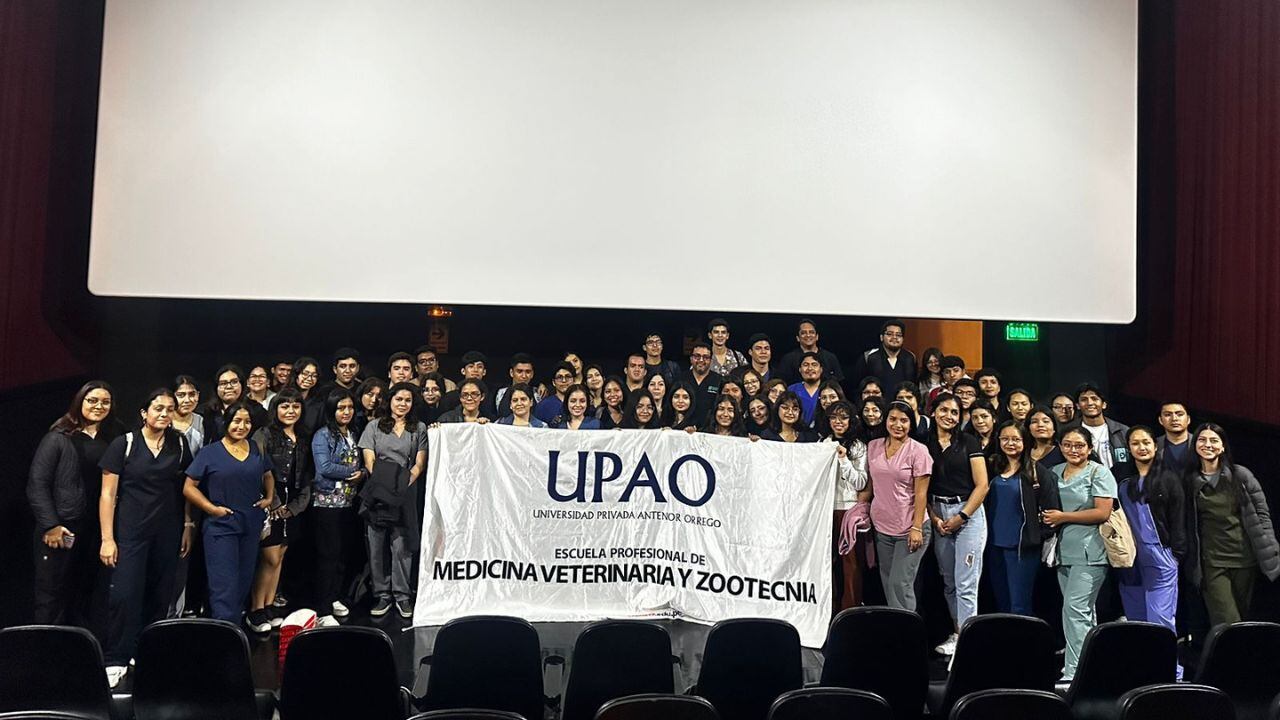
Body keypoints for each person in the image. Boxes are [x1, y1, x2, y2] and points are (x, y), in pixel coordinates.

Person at [99, 389, 193, 687]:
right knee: (125, 595)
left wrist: (188, 525)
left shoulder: (179, 443)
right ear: (144, 412)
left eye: (169, 409)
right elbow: (107, 494)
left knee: (160, 594)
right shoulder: (124, 444)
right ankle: (116, 657)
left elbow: (186, 487)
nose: (164, 414)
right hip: (131, 532)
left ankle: (146, 651)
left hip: (167, 531)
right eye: (158, 408)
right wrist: (107, 538)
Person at [28, 381, 121, 633]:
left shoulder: (114, 438)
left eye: (105, 402)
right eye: (92, 400)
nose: (99, 406)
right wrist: (51, 525)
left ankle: (79, 651)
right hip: (63, 528)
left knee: (86, 595)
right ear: (80, 401)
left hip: (97, 531)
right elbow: (37, 484)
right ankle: (46, 650)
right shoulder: (58, 437)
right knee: (52, 596)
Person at [183, 403, 273, 628]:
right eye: (237, 421)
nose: (242, 426)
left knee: (243, 582)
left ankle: (233, 632)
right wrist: (211, 509)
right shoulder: (210, 452)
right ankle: (225, 636)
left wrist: (269, 497)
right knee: (224, 587)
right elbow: (189, 487)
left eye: (247, 422)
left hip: (251, 525)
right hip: (221, 526)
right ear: (227, 422)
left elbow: (268, 474)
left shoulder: (256, 448)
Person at [1184, 423, 1279, 626]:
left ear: (1223, 446)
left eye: (1214, 440)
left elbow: (1262, 514)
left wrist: (1270, 546)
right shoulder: (1189, 480)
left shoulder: (1241, 475)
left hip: (1244, 559)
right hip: (1212, 562)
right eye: (1202, 440)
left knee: (1241, 620)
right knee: (1227, 621)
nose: (1207, 444)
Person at [1043, 426, 1117, 681]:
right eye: (1067, 445)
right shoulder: (1054, 472)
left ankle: (1075, 671)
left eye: (1079, 445)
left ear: (1090, 448)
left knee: (1075, 610)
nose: (1073, 450)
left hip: (1090, 552)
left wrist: (1063, 517)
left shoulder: (1099, 472)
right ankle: (1092, 667)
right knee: (1081, 612)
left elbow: (1102, 512)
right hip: (1063, 551)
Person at [1116, 425, 1186, 677]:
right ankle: (1143, 672)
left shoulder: (1168, 478)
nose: (1141, 447)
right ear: (1129, 448)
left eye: (1146, 442)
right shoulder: (1122, 479)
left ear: (1155, 446)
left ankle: (1170, 674)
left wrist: (1176, 553)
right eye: (1135, 443)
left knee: (1160, 619)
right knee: (1136, 618)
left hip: (1160, 554)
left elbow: (1179, 518)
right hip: (1129, 558)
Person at [925, 392, 990, 656]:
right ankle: (958, 632)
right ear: (933, 412)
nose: (949, 416)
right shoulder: (924, 443)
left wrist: (961, 517)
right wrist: (934, 517)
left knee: (966, 582)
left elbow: (982, 485)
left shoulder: (969, 441)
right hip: (938, 513)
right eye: (944, 410)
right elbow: (921, 487)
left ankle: (967, 642)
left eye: (955, 412)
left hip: (968, 514)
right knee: (949, 581)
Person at [245, 388, 313, 633]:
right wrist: (272, 501)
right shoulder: (264, 434)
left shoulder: (304, 436)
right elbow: (258, 469)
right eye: (285, 406)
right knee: (269, 557)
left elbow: (307, 475)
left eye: (295, 406)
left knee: (281, 556)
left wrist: (295, 507)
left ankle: (270, 605)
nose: (290, 411)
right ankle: (255, 610)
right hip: (270, 498)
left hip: (292, 501)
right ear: (275, 409)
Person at [359, 382, 428, 619]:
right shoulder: (374, 426)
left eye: (407, 400)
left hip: (405, 492)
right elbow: (369, 460)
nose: (402, 404)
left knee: (402, 545)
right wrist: (386, 486)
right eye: (399, 399)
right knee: (376, 545)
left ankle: (402, 595)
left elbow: (419, 463)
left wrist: (402, 485)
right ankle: (382, 594)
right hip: (378, 491)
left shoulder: (419, 428)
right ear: (390, 401)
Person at [859, 401, 932, 611]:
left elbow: (921, 493)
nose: (897, 425)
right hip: (882, 528)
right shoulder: (873, 446)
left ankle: (908, 629)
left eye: (903, 420)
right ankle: (895, 627)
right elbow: (871, 485)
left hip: (910, 528)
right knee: (888, 584)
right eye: (893, 419)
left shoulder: (919, 451)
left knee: (900, 584)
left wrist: (916, 527)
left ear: (911, 424)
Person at [983, 420, 1060, 616]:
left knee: (1020, 605)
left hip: (1022, 547)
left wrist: (1036, 536)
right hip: (993, 545)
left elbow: (1051, 510)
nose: (1010, 443)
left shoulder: (1036, 472)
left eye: (1016, 439)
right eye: (1005, 439)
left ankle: (1022, 637)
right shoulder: (992, 468)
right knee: (1001, 601)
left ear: (1025, 441)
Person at [310, 389, 366, 627]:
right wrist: (353, 472)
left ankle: (334, 597)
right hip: (326, 503)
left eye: (350, 408)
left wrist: (362, 473)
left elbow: (361, 463)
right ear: (332, 410)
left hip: (349, 502)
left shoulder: (353, 433)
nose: (346, 412)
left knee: (343, 554)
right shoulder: (322, 435)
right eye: (341, 408)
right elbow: (324, 467)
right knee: (328, 556)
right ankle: (322, 608)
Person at [825, 401, 868, 611]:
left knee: (851, 564)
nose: (838, 422)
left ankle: (850, 608)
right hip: (825, 509)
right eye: (833, 417)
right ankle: (830, 608)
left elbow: (861, 482)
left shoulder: (858, 446)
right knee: (827, 562)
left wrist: (844, 460)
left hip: (849, 509)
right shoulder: (823, 443)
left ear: (851, 420)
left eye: (843, 417)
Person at [202, 365, 268, 442]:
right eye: (223, 383)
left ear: (242, 385)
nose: (229, 387)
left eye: (234, 382)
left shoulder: (257, 410)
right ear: (216, 388)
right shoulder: (207, 411)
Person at [1073, 383, 1129, 469]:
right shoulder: (1070, 433)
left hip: (1119, 477)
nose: (1090, 403)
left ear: (1104, 404)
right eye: (1084, 399)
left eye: (1094, 399)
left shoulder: (1122, 431)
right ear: (1078, 405)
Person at [854, 320, 917, 392]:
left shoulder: (910, 358)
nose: (894, 337)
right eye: (890, 334)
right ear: (881, 337)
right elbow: (858, 387)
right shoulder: (868, 357)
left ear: (903, 339)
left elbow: (914, 386)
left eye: (898, 335)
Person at [777, 319, 844, 385]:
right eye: (803, 333)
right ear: (798, 338)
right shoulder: (788, 359)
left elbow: (839, 384)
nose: (808, 335)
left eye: (811, 332)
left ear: (817, 336)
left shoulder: (830, 358)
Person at [682, 341, 724, 424]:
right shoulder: (681, 379)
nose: (701, 360)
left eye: (706, 357)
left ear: (711, 360)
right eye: (697, 356)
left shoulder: (720, 380)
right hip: (684, 427)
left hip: (711, 428)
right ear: (691, 359)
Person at [787, 352, 825, 426]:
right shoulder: (791, 390)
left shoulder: (828, 390)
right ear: (800, 369)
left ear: (821, 369)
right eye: (805, 365)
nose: (810, 368)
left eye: (814, 365)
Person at [1155, 402, 1194, 473]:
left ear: (1188, 419)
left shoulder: (1200, 443)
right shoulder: (1154, 445)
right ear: (1160, 420)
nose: (1174, 419)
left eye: (1179, 414)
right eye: (1167, 415)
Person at [291, 356, 324, 433]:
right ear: (296, 374)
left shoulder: (319, 403)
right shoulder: (282, 397)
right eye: (305, 374)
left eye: (314, 376)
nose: (309, 379)